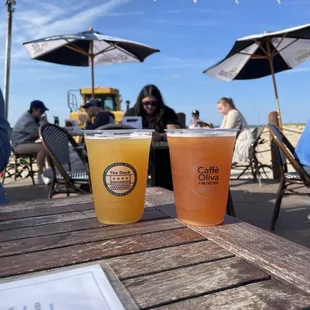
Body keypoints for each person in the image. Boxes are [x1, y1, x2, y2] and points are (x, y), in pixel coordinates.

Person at [11, 100, 49, 185]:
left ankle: (49, 173)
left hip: (24, 142)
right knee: (43, 149)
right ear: (34, 109)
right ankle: (40, 176)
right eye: (41, 111)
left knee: (48, 147)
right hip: (18, 145)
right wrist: (45, 123)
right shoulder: (28, 121)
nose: (42, 113)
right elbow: (40, 133)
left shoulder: (32, 117)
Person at [217, 97, 254, 163]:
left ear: (227, 106)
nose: (219, 111)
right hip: (238, 138)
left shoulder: (233, 113)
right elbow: (221, 128)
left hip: (243, 139)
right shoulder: (227, 115)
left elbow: (227, 129)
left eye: (220, 109)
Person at [0, 88, 11, 204]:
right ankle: (41, 174)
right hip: (20, 145)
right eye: (41, 111)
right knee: (43, 149)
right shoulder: (27, 119)